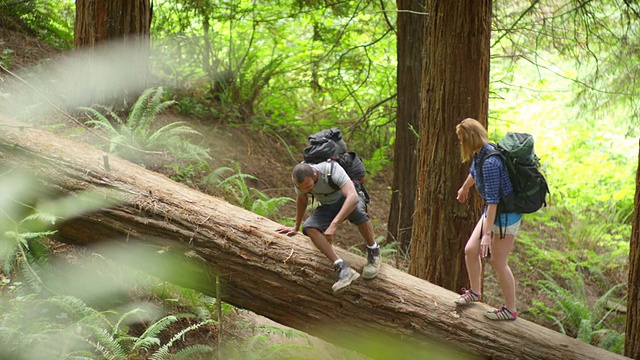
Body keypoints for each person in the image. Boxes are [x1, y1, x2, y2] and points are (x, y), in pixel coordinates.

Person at [275, 160, 381, 295]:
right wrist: (296, 226)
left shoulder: (331, 170)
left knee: (358, 213)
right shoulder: (300, 180)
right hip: (328, 205)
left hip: (347, 199)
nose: (306, 190)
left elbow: (352, 197)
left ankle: (374, 250)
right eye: (302, 188)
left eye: (308, 187)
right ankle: (342, 267)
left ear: (314, 175)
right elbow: (302, 199)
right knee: (309, 227)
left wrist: (333, 225)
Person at [453, 118, 522, 321]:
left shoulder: (491, 161)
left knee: (498, 261)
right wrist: (465, 187)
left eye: (461, 140)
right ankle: (475, 292)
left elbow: (493, 200)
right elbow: (475, 173)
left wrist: (487, 234)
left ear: (470, 139)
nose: (460, 144)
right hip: (493, 212)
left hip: (506, 215)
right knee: (470, 250)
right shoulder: (481, 153)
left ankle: (511, 309)